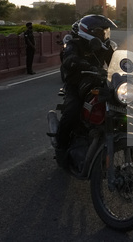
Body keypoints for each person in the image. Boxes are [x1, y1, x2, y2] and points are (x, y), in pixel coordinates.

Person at [55, 14, 116, 167]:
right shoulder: (74, 44)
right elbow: (69, 59)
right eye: (100, 32)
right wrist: (88, 66)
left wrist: (128, 69)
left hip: (98, 83)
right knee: (71, 111)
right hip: (76, 85)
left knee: (121, 109)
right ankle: (61, 148)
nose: (103, 35)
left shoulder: (105, 46)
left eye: (105, 31)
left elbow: (115, 61)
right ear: (89, 32)